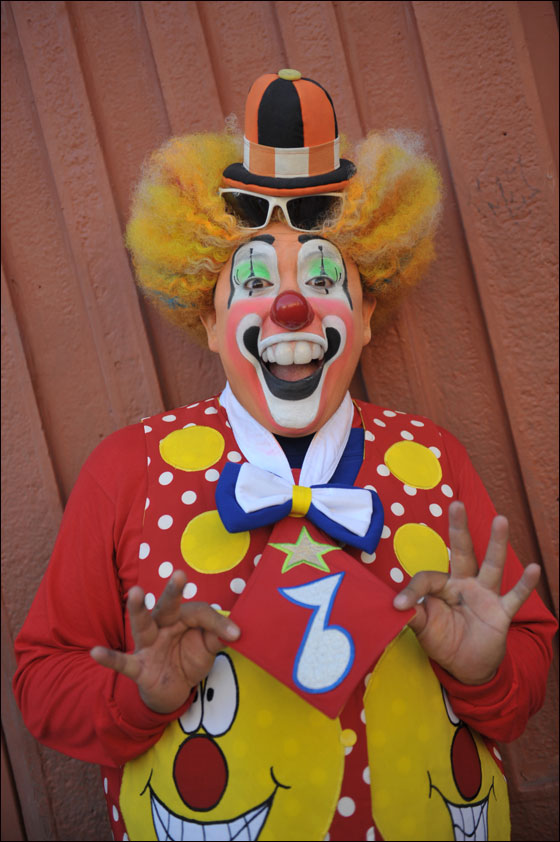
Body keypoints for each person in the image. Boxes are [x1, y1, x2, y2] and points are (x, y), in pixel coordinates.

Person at [13, 70, 556, 842]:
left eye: (324, 277)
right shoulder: (127, 470)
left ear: (368, 313)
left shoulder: (434, 461)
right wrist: (141, 698)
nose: (290, 306)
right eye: (255, 280)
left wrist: (486, 672)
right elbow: (43, 677)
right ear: (209, 319)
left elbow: (522, 668)